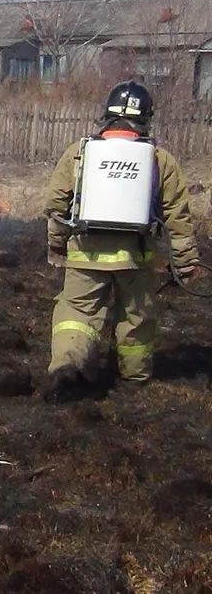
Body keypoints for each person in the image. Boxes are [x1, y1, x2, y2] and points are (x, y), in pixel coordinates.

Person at [42, 80, 201, 403]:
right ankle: (134, 377)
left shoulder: (79, 154)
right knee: (135, 317)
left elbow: (57, 205)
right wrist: (185, 262)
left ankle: (67, 366)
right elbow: (177, 217)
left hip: (85, 252)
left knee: (76, 311)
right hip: (136, 256)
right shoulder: (160, 160)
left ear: (107, 115)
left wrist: (57, 246)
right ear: (146, 118)